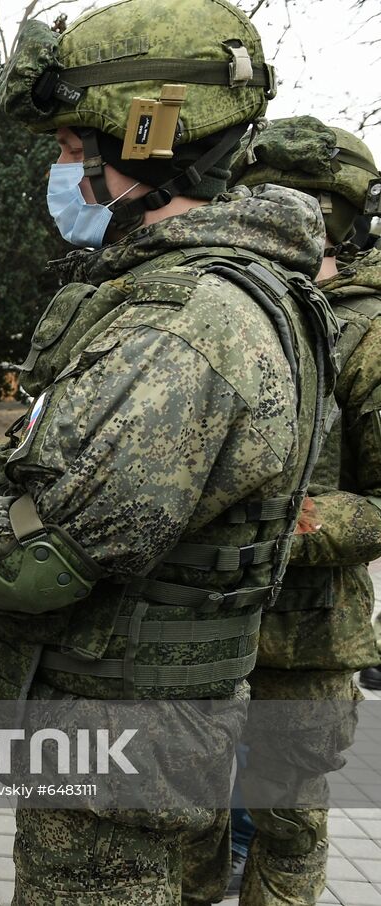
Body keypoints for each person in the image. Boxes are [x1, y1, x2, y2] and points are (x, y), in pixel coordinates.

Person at [0, 2, 335, 903]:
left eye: (68, 148)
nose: (60, 172)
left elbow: (48, 551)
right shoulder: (238, 292)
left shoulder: (188, 324)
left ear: (147, 141)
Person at [228, 116, 381, 904]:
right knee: (183, 832)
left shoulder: (371, 331)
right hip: (195, 637)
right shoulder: (227, 306)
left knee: (283, 833)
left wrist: (288, 528)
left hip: (306, 649)